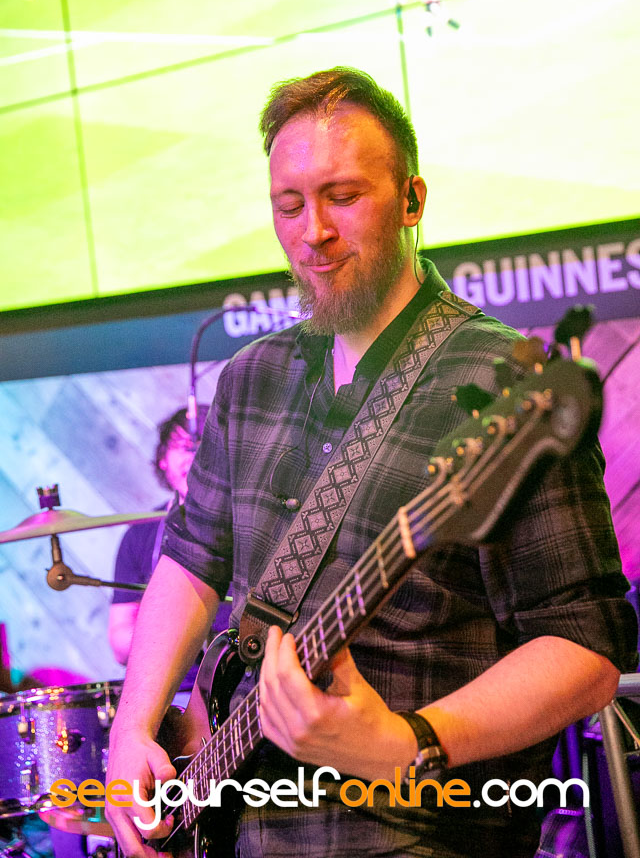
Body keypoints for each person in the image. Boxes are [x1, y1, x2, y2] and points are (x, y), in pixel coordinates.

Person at [105, 67, 637, 858]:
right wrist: (131, 728)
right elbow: (191, 561)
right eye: (289, 205)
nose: (313, 231)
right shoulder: (251, 377)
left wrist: (408, 741)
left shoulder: (495, 382)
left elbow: (586, 648)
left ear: (412, 200)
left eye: (344, 196)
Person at [109, 406, 231, 699]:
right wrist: (175, 631)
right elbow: (120, 641)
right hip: (174, 693)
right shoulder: (139, 535)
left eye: (204, 445)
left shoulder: (250, 521)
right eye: (183, 446)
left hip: (243, 684)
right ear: (163, 459)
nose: (193, 456)